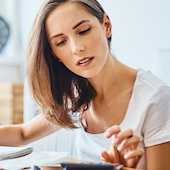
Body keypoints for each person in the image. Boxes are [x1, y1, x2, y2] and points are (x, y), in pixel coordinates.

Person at [0, 0, 170, 169]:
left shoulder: (155, 97)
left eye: (83, 31)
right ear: (56, 55)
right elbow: (22, 134)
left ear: (106, 26)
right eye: (61, 42)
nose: (76, 48)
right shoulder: (75, 95)